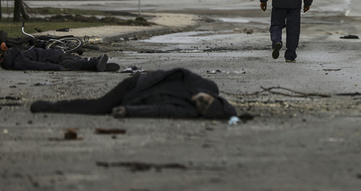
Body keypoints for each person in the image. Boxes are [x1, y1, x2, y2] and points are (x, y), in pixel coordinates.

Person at [29, 68, 239, 120]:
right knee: (97, 107)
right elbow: (178, 71)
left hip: (134, 98)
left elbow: (159, 110)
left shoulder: (190, 111)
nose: (199, 103)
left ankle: (49, 106)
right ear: (211, 96)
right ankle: (48, 106)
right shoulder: (204, 84)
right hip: (135, 85)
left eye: (202, 107)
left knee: (97, 108)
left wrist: (129, 110)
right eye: (205, 101)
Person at [1, 41, 115, 72]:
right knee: (78, 60)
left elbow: (38, 65)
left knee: (75, 66)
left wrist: (57, 68)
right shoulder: (17, 52)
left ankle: (95, 62)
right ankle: (98, 65)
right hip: (56, 53)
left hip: (55, 60)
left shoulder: (18, 62)